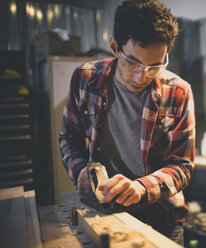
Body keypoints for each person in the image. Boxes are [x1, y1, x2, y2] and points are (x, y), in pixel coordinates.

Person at [59, 0, 195, 245]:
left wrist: (142, 188)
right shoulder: (85, 78)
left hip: (161, 216)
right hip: (102, 212)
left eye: (155, 65)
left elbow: (182, 166)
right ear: (114, 46)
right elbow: (69, 138)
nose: (141, 76)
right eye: (132, 62)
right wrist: (80, 171)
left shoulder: (178, 92)